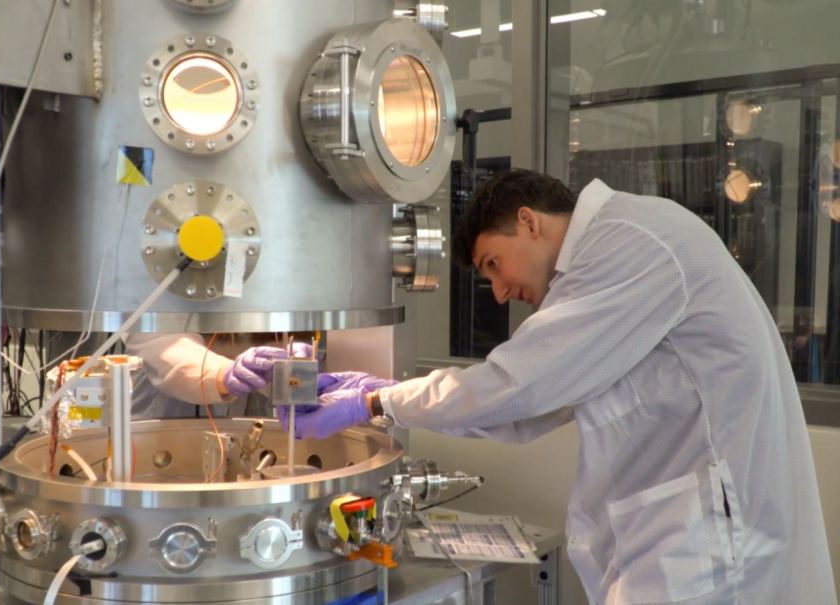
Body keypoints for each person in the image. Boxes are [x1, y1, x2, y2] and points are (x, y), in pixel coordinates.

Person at [289, 170, 837, 604]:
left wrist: (377, 401)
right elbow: (527, 409)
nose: (500, 293)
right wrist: (388, 397)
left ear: (528, 222)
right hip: (680, 525)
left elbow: (520, 384)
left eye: (493, 265)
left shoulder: (631, 239)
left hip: (706, 539)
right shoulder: (614, 252)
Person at [125, 333, 315, 418]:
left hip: (231, 425)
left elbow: (255, 343)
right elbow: (159, 344)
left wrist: (285, 367)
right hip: (156, 430)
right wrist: (221, 373)